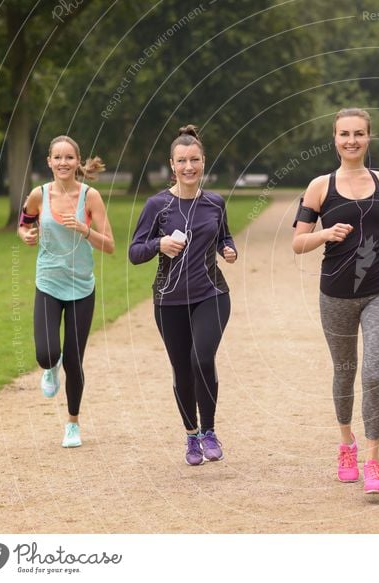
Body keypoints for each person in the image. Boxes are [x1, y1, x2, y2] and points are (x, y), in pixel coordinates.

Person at [292, 108, 379, 495]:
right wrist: (326, 234)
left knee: (373, 373)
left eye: (359, 134)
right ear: (335, 139)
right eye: (345, 134)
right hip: (336, 295)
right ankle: (347, 445)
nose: (352, 141)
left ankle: (374, 461)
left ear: (368, 137)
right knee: (345, 371)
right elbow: (298, 242)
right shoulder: (319, 187)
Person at [129, 125, 238, 466]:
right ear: (171, 164)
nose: (188, 166)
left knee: (201, 359)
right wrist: (159, 243)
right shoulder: (157, 206)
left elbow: (224, 237)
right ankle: (191, 437)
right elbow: (135, 252)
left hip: (212, 293)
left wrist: (229, 248)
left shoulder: (215, 203)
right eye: (181, 161)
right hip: (169, 299)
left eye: (194, 160)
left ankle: (209, 431)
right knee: (182, 368)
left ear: (204, 162)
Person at [17, 135, 115, 448]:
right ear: (49, 162)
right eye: (57, 157)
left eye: (69, 157)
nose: (63, 163)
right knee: (47, 353)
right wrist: (25, 234)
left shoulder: (91, 196)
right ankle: (50, 368)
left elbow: (110, 245)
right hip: (48, 282)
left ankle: (72, 423)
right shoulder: (39, 194)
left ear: (77, 161)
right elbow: (24, 221)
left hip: (81, 286)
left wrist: (84, 229)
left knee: (74, 361)